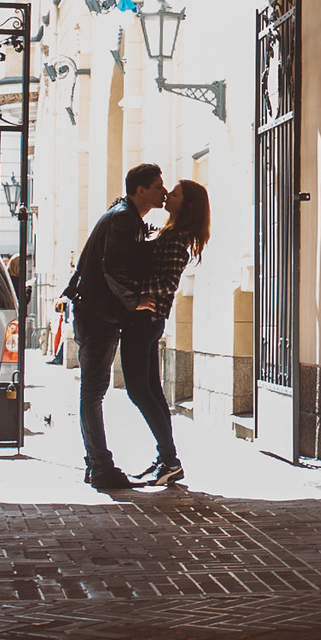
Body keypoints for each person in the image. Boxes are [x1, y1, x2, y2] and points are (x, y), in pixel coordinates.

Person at [67, 162, 173, 491]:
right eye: (157, 186)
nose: (163, 191)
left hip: (97, 313)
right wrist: (136, 299)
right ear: (140, 190)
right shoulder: (124, 219)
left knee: (93, 391)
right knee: (93, 391)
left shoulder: (128, 217)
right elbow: (112, 267)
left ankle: (95, 463)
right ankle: (100, 465)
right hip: (96, 314)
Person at [120, 178, 210, 487]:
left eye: (174, 194)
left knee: (138, 389)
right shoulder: (169, 233)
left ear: (187, 205)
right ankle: (166, 458)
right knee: (152, 391)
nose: (168, 196)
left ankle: (170, 459)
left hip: (146, 319)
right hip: (149, 321)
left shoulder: (175, 238)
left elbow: (168, 283)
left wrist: (133, 293)